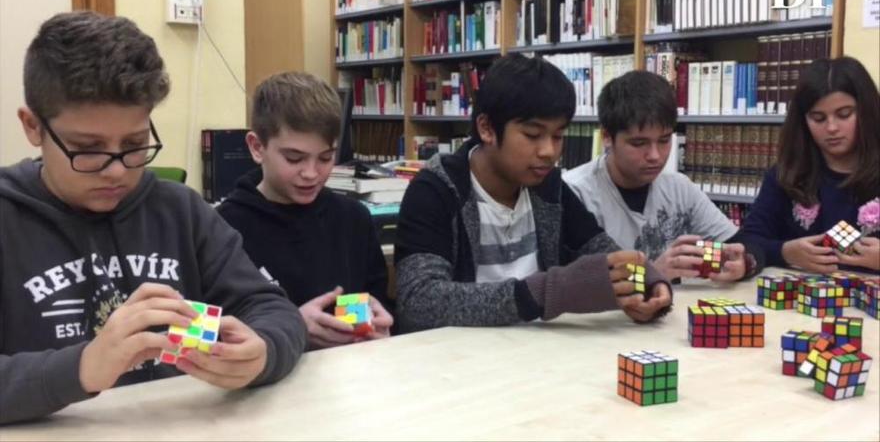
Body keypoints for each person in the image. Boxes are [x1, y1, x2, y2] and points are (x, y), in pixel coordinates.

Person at [0, 11, 307, 425]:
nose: (116, 170)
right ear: (33, 126)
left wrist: (263, 351)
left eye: (134, 143)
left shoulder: (181, 210)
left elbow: (272, 308)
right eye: (87, 148)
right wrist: (82, 367)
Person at [393, 54, 672, 333]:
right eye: (532, 135)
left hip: (536, 357)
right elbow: (418, 301)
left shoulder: (549, 187)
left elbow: (603, 250)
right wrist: (547, 292)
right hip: (455, 362)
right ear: (487, 128)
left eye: (558, 136)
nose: (548, 151)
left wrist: (650, 282)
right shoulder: (436, 190)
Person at [218, 71, 393, 349]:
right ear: (256, 147)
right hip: (264, 384)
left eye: (325, 157)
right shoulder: (223, 228)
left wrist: (378, 323)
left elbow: (373, 300)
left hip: (349, 375)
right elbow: (208, 331)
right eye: (294, 158)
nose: (311, 173)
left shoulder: (353, 219)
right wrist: (292, 326)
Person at [564, 71, 764, 281]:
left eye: (664, 140)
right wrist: (651, 275)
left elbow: (745, 243)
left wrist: (744, 262)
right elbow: (576, 284)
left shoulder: (678, 187)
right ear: (606, 137)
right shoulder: (574, 193)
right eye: (639, 143)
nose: (655, 156)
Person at [741, 57, 880, 273]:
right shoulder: (785, 175)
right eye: (818, 118)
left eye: (844, 114)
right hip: (801, 302)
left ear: (867, 111)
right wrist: (784, 252)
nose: (832, 127)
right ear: (803, 121)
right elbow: (748, 241)